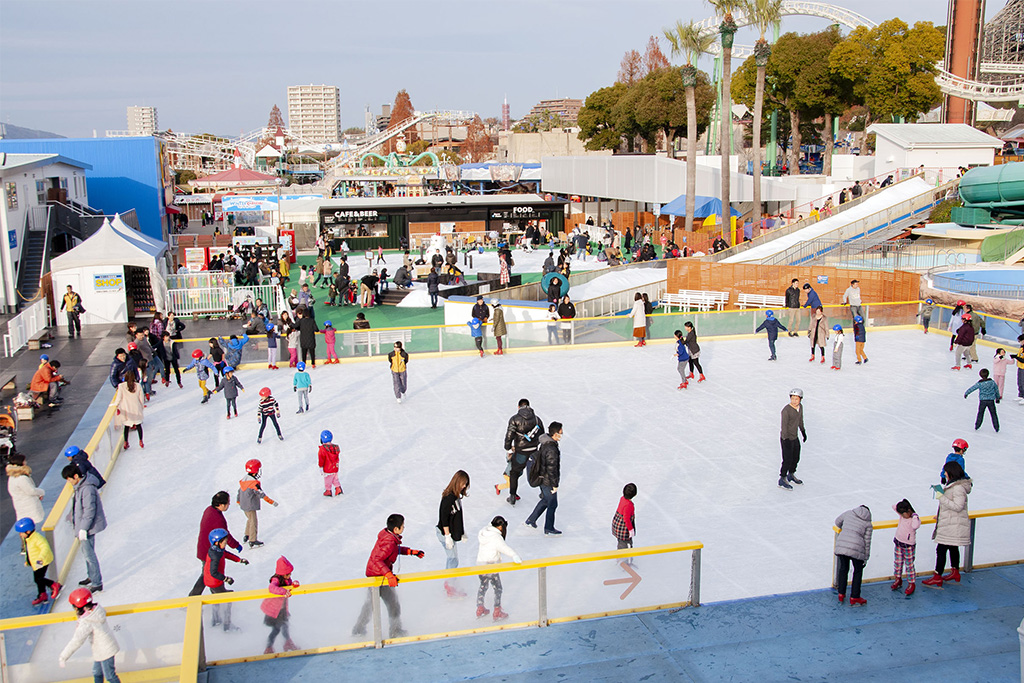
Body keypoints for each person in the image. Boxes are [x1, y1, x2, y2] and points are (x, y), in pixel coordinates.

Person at [352, 513, 425, 639]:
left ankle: (360, 629)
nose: (404, 528)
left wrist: (411, 552)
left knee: (378, 604)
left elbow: (394, 550)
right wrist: (389, 575)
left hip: (378, 574)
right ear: (396, 529)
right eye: (403, 526)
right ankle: (389, 630)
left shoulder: (389, 537)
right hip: (377, 577)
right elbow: (377, 560)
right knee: (386, 604)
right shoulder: (389, 541)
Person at [923, 462, 972, 588]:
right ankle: (955, 572)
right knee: (952, 547)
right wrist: (939, 515)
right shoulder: (953, 486)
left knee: (941, 549)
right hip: (950, 523)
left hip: (952, 525)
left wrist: (941, 496)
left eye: (945, 471)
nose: (944, 473)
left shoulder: (958, 488)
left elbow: (957, 506)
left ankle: (937, 576)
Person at [58, 588, 120, 682]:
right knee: (97, 672)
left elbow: (77, 641)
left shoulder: (86, 622)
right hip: (102, 649)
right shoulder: (96, 611)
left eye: (73, 606)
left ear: (78, 607)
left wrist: (63, 657)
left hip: (105, 651)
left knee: (110, 676)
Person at [189, 491, 243, 596]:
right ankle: (195, 597)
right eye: (227, 503)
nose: (229, 505)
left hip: (204, 547)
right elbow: (224, 534)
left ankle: (218, 592)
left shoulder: (209, 509)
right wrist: (236, 545)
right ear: (221, 505)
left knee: (208, 573)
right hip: (209, 551)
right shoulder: (217, 519)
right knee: (208, 574)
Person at [62, 463, 106, 592]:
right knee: (87, 553)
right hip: (84, 526)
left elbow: (89, 510)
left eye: (69, 479)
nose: (69, 482)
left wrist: (83, 529)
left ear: (75, 476)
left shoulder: (86, 489)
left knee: (89, 555)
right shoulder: (81, 486)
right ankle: (91, 576)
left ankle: (97, 582)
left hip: (88, 527)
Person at [498, 398, 544, 506]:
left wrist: (508, 448)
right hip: (533, 450)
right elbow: (542, 434)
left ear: (519, 407)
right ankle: (543, 493)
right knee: (537, 471)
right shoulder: (537, 419)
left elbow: (509, 435)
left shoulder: (514, 419)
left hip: (521, 452)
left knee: (514, 473)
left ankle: (512, 496)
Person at [475, 516, 522, 621]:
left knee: (483, 586)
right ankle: (497, 610)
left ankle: (480, 607)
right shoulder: (496, 537)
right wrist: (514, 555)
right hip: (491, 565)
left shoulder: (484, 531)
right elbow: (504, 548)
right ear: (500, 527)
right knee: (498, 588)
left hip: (480, 564)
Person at [204, 528, 248, 631]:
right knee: (228, 599)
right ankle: (227, 625)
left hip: (212, 581)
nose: (226, 543)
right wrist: (226, 579)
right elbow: (213, 572)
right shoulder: (215, 555)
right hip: (214, 582)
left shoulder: (218, 550)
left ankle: (216, 620)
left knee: (216, 599)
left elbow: (226, 554)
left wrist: (239, 560)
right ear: (217, 542)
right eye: (224, 542)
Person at [524, 422, 563, 535]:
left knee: (546, 500)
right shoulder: (551, 449)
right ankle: (549, 528)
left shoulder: (546, 443)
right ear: (555, 434)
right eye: (560, 432)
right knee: (552, 503)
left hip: (542, 478)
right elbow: (552, 469)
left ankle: (531, 520)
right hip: (547, 481)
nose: (562, 434)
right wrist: (555, 485)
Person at [437, 470, 470, 598]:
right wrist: (447, 536)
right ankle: (449, 584)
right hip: (444, 533)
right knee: (453, 559)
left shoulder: (456, 497)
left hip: (452, 533)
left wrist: (462, 532)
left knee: (452, 558)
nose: (464, 486)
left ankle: (449, 583)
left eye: (465, 484)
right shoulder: (448, 498)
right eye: (463, 483)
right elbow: (443, 518)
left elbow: (458, 516)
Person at [834, 505, 872, 606]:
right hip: (857, 547)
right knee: (858, 571)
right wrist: (866, 557)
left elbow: (837, 521)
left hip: (843, 545)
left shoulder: (849, 513)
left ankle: (841, 593)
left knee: (843, 568)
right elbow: (867, 542)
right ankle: (855, 596)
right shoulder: (868, 523)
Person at [16, 517, 60, 606]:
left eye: (21, 533)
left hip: (42, 562)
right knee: (38, 579)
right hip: (36, 563)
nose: (20, 535)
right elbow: (30, 551)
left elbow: (45, 548)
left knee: (38, 578)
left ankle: (53, 585)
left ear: (28, 532)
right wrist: (28, 561)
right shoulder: (28, 539)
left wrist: (40, 559)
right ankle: (42, 594)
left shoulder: (37, 538)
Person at [262, 556, 300, 654]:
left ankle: (288, 642)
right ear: (283, 574)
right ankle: (269, 647)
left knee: (285, 626)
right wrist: (283, 591)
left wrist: (293, 584)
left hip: (282, 609)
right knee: (276, 629)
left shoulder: (286, 578)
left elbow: (289, 585)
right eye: (288, 574)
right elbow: (272, 588)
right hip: (274, 610)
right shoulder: (276, 579)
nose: (290, 575)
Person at [238, 459, 278, 548]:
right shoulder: (254, 484)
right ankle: (252, 539)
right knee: (253, 521)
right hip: (250, 505)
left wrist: (238, 501)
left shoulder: (244, 480)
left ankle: (247, 534)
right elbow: (261, 494)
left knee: (249, 519)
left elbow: (239, 492)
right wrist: (272, 502)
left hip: (243, 504)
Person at [891, 499, 921, 597]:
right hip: (898, 543)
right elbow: (894, 506)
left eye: (903, 514)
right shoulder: (902, 516)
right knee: (898, 563)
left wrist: (914, 515)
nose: (902, 516)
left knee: (909, 565)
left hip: (908, 546)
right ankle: (898, 579)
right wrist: (903, 502)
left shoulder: (914, 519)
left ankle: (911, 583)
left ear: (908, 511)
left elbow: (916, 526)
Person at [778, 388, 807, 490]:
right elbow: (784, 426)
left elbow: (800, 420)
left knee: (796, 458)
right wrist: (785, 440)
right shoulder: (786, 410)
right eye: (793, 398)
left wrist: (803, 431)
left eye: (796, 399)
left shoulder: (800, 407)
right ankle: (782, 478)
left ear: (800, 399)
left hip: (794, 437)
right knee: (787, 459)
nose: (794, 401)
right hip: (786, 438)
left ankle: (791, 474)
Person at [7, 453, 45, 525]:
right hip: (28, 504)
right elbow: (31, 490)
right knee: (31, 523)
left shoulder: (12, 477)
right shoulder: (22, 478)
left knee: (25, 523)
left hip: (20, 504)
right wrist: (41, 492)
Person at [111, 370, 145, 450]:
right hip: (136, 409)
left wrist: (115, 405)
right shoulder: (138, 386)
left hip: (126, 410)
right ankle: (140, 440)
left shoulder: (121, 386)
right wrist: (141, 407)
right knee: (138, 425)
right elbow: (141, 399)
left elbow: (118, 398)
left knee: (126, 427)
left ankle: (126, 441)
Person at [612, 483, 637, 551]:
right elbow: (626, 519)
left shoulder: (622, 499)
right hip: (623, 529)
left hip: (617, 525)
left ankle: (623, 559)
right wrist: (631, 530)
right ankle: (622, 560)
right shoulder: (629, 505)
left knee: (622, 543)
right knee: (625, 545)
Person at [318, 430, 343, 497]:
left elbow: (321, 459)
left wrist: (321, 467)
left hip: (327, 468)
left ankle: (328, 490)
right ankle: (338, 488)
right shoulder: (335, 447)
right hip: (335, 467)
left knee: (327, 479)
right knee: (335, 478)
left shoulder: (322, 449)